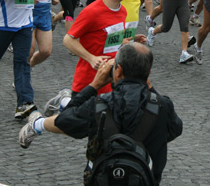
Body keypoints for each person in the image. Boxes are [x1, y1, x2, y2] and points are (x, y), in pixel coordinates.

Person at [17, 43, 183, 185]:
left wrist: (93, 85)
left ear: (117, 71)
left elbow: (64, 120)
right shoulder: (163, 106)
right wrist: (150, 88)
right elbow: (175, 129)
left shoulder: (99, 104)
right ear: (148, 74)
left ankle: (41, 120)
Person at [63, 0, 146, 95]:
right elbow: (68, 39)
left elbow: (110, 38)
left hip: (113, 84)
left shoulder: (122, 11)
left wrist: (132, 40)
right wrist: (91, 58)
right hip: (88, 83)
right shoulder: (92, 11)